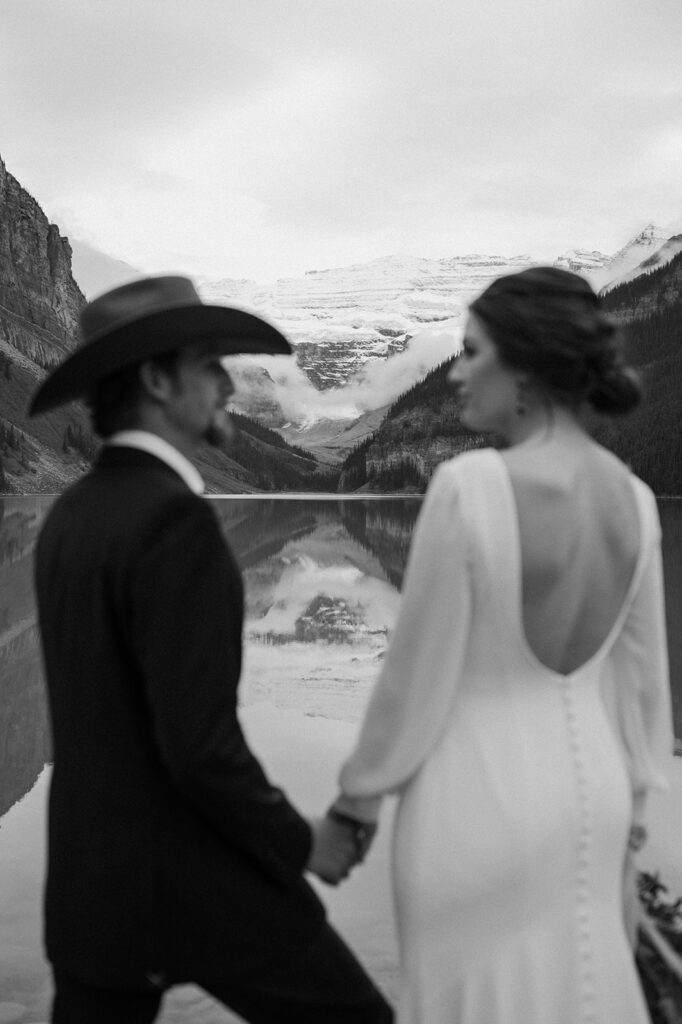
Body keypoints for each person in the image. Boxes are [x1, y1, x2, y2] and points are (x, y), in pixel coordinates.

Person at [29, 275, 393, 1024]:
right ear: (159, 380)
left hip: (91, 893)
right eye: (208, 364)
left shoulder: (70, 515)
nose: (227, 383)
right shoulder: (176, 524)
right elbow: (201, 749)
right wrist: (303, 844)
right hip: (192, 884)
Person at [326, 266, 673, 1023]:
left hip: (476, 803)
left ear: (525, 364)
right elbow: (646, 698)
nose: (456, 373)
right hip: (595, 806)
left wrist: (355, 804)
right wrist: (633, 816)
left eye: (472, 351)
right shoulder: (638, 506)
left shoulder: (471, 486)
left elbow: (414, 679)